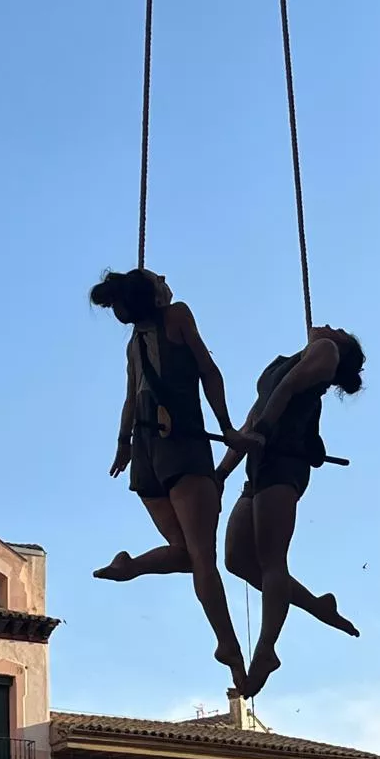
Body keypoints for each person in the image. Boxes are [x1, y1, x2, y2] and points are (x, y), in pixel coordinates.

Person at [89, 268, 260, 687]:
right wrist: (229, 427)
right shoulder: (178, 315)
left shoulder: (134, 342)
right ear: (155, 293)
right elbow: (208, 371)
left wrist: (124, 444)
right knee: (202, 556)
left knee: (186, 553)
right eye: (156, 277)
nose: (165, 276)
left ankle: (131, 567)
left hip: (147, 449)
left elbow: (132, 396)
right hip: (180, 441)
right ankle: (230, 647)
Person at [217, 325, 366, 697]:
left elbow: (283, 396)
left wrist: (263, 432)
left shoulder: (327, 350)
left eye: (342, 332)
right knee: (237, 560)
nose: (335, 327)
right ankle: (317, 606)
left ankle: (266, 649)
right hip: (263, 461)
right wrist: (222, 472)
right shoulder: (290, 361)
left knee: (271, 561)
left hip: (281, 463)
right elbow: (253, 418)